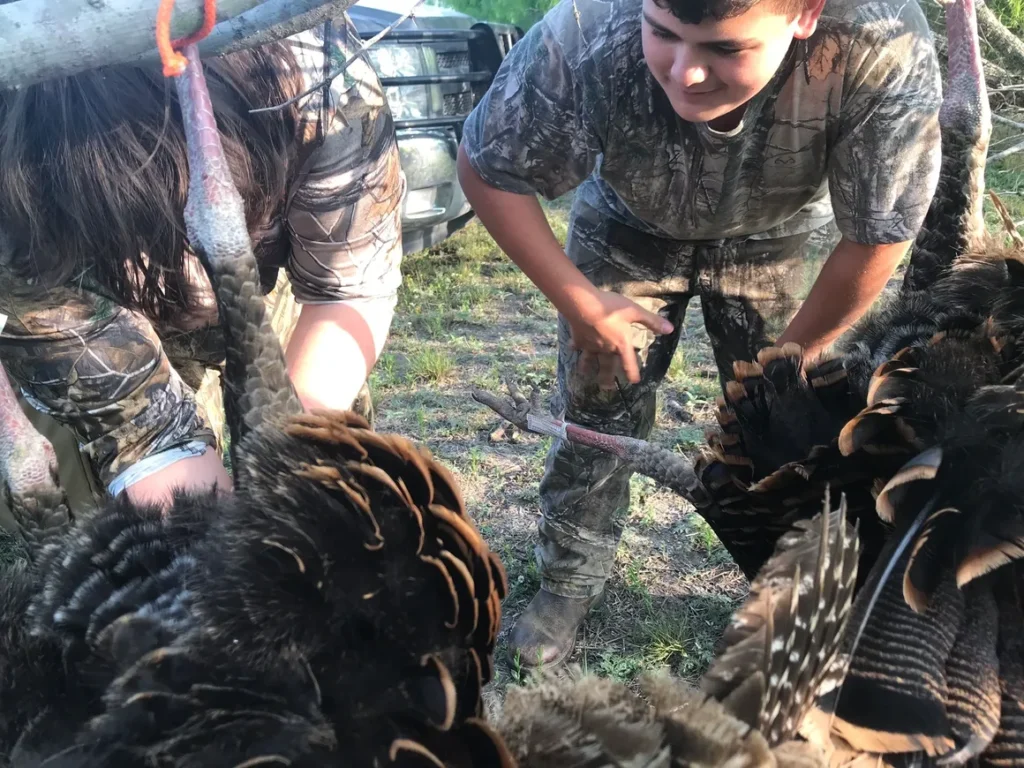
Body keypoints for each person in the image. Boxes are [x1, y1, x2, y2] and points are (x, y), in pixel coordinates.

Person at [457, 0, 943, 667]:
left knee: (790, 430)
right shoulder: (586, 27)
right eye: (662, 35)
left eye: (724, 49)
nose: (685, 73)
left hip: (779, 238)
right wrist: (580, 304)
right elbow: (487, 167)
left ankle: (794, 592)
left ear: (805, 14)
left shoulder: (879, 42)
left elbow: (881, 232)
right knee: (598, 410)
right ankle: (569, 579)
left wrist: (789, 359)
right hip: (626, 230)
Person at [0, 13, 405, 512]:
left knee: (316, 480)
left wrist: (289, 456)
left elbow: (347, 284)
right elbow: (142, 434)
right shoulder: (14, 200)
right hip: (75, 300)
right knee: (133, 538)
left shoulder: (318, 67)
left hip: (256, 287)